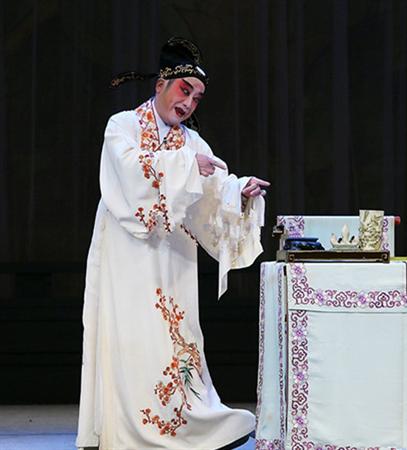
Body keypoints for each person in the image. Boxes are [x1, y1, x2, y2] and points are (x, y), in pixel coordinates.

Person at [76, 37, 269, 450]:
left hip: (173, 255)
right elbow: (128, 169)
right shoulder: (122, 126)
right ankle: (127, 429)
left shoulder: (192, 143)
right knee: (133, 334)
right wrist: (185, 167)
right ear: (161, 83)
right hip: (126, 249)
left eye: (197, 98)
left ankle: (189, 423)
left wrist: (239, 192)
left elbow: (213, 189)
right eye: (185, 90)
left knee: (176, 334)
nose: (189, 103)